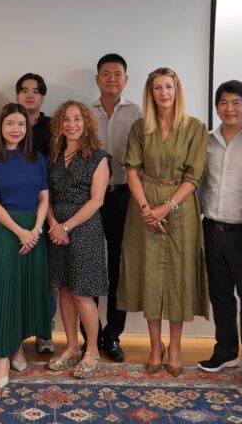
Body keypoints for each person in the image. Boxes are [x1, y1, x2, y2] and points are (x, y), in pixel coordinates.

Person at [117, 67, 208, 377]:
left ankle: (176, 346)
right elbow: (131, 170)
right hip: (143, 205)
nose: (164, 93)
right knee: (150, 277)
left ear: (176, 90)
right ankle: (155, 346)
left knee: (178, 277)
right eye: (157, 87)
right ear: (150, 93)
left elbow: (194, 176)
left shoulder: (195, 127)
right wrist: (147, 209)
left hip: (181, 209)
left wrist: (166, 207)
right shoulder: (140, 127)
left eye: (168, 86)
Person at [197, 80, 242, 384]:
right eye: (223, 103)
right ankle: (225, 351)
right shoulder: (206, 141)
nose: (230, 108)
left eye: (236, 102)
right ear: (216, 108)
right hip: (211, 229)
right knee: (221, 296)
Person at [0, 103, 51, 387]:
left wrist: (35, 230)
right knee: (4, 291)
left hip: (34, 230)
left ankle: (17, 345)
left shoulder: (37, 158)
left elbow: (44, 197)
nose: (16, 129)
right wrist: (21, 232)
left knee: (25, 290)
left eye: (21, 124)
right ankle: (2, 355)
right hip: (6, 230)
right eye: (10, 123)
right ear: (0, 126)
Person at [46, 100, 110, 379]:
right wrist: (53, 225)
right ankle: (72, 347)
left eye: (77, 119)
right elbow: (46, 196)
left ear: (86, 123)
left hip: (84, 229)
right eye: (66, 119)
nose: (71, 124)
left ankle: (92, 351)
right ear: (59, 124)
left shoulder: (98, 157)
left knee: (82, 292)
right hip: (56, 229)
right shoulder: (53, 156)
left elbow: (97, 200)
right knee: (63, 289)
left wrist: (66, 226)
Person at [89, 53, 142, 362]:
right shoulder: (85, 113)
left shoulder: (138, 113)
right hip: (90, 200)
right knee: (90, 266)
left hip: (124, 198)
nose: (112, 79)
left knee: (119, 269)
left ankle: (112, 336)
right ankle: (90, 336)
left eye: (117, 74)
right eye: (106, 74)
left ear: (126, 79)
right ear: (97, 79)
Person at [15, 72, 56, 354]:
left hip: (48, 207)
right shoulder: (9, 124)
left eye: (35, 91)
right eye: (24, 90)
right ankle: (16, 329)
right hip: (15, 210)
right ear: (17, 95)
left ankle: (45, 331)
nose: (30, 95)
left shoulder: (53, 127)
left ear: (42, 96)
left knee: (47, 274)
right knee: (18, 274)